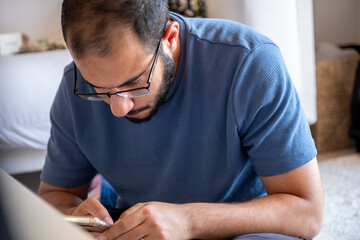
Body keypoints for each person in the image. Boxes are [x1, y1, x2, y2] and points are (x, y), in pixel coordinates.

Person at [38, 0, 323, 239]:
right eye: (99, 89)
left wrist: (188, 220)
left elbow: (307, 213)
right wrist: (76, 218)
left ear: (170, 37)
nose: (118, 108)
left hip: (245, 230)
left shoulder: (250, 62)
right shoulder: (73, 88)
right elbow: (55, 196)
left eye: (135, 83)